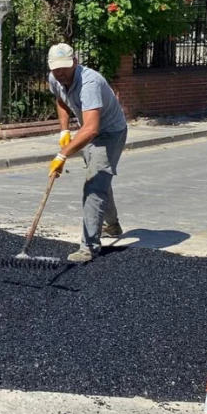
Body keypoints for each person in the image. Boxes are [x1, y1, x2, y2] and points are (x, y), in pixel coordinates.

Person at [46, 43, 129, 264]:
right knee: (100, 178)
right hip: (88, 133)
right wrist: (64, 129)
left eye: (64, 67)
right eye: (56, 69)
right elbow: (61, 101)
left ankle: (89, 247)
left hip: (110, 133)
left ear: (75, 62)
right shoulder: (55, 78)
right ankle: (111, 225)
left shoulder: (89, 82)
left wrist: (62, 155)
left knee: (94, 185)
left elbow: (92, 128)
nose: (60, 73)